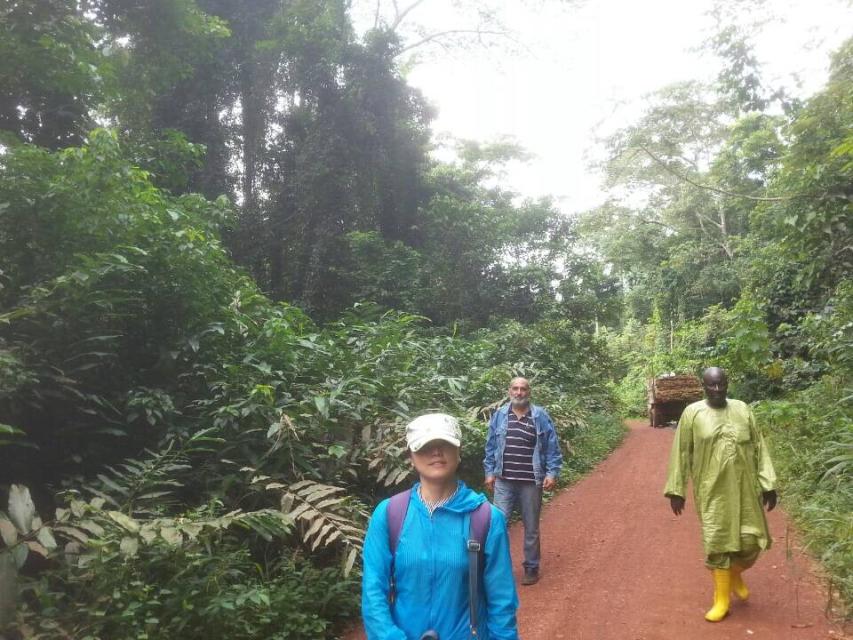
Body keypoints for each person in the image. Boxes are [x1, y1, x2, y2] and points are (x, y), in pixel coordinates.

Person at [362, 413, 519, 640]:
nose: (436, 452)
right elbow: (373, 590)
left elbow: (501, 599)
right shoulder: (389, 514)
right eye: (426, 446)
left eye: (444, 444)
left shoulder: (485, 518)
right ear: (411, 456)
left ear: (458, 452)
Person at [664, 366, 778, 622]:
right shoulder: (693, 413)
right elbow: (681, 452)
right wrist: (677, 489)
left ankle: (733, 574)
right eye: (711, 386)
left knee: (751, 541)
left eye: (721, 384)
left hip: (745, 486)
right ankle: (722, 598)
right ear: (703, 387)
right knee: (718, 543)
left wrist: (768, 483)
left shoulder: (742, 409)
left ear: (727, 383)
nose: (717, 390)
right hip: (712, 489)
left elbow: (759, 446)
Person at [483, 377, 563, 586]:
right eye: (515, 388)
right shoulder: (500, 415)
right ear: (509, 391)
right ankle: (497, 570)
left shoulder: (540, 416)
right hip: (504, 480)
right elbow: (490, 446)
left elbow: (552, 447)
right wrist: (489, 472)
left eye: (523, 389)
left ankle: (531, 567)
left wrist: (552, 473)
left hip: (531, 481)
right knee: (497, 524)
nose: (519, 392)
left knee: (531, 526)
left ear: (529, 392)